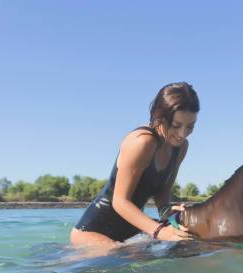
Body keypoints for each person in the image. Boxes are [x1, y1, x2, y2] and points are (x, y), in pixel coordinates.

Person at [70, 82, 198, 249]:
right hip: (93, 232)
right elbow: (120, 201)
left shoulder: (181, 147)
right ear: (159, 117)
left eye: (190, 126)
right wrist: (160, 230)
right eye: (176, 125)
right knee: (122, 259)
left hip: (132, 230)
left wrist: (168, 212)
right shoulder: (142, 142)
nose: (183, 134)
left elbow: (163, 192)